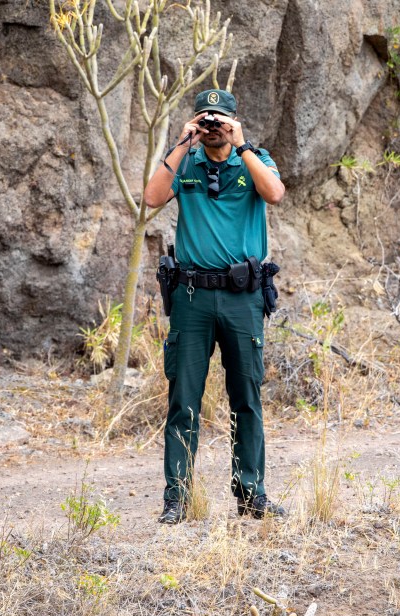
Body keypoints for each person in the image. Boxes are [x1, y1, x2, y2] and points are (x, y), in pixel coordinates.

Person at [143, 88, 287, 524]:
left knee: (246, 398)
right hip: (191, 298)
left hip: (242, 298)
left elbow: (275, 194)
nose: (212, 128)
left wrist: (241, 145)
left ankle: (251, 495)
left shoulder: (254, 158)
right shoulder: (185, 160)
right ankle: (177, 499)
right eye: (205, 120)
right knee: (183, 401)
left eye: (219, 120)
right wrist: (182, 142)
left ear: (233, 121)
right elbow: (151, 198)